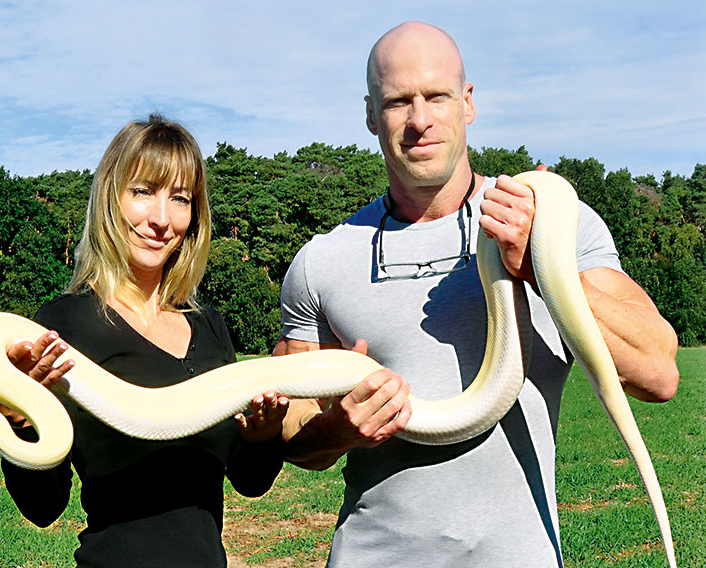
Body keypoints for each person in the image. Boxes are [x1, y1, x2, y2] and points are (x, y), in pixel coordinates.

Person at [274, 21, 679, 567]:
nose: (420, 120)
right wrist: (339, 428)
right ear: (371, 114)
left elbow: (658, 374)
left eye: (437, 96)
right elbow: (294, 439)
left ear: (467, 103)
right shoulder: (320, 261)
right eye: (397, 102)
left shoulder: (549, 220)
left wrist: (539, 265)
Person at [0, 114, 287, 567]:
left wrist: (264, 437)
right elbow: (42, 507)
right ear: (111, 197)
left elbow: (249, 481)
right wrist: (18, 416)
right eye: (143, 192)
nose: (161, 220)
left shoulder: (210, 327)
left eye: (181, 199)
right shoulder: (64, 323)